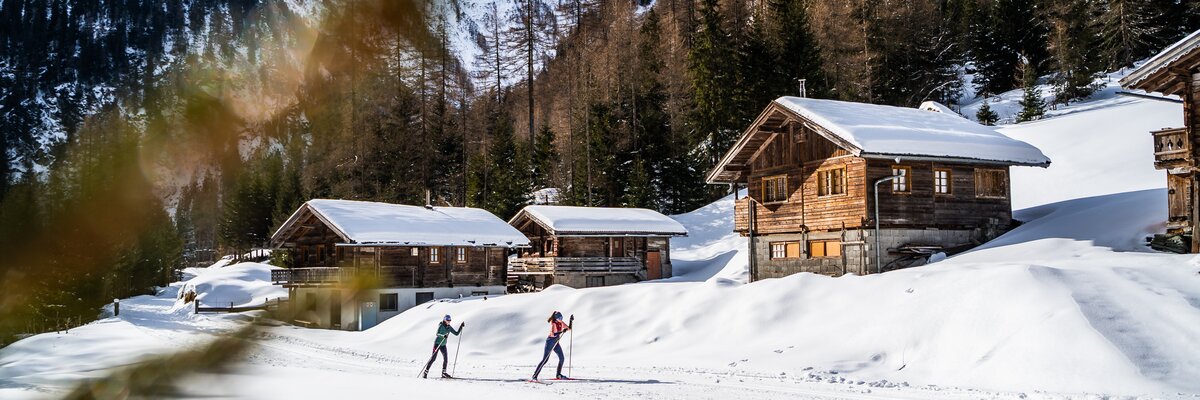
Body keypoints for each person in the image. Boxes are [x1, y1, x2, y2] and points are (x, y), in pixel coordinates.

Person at [532, 311, 572, 380]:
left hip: (556, 343)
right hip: (550, 342)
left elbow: (569, 328)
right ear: (556, 318)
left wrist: (570, 321)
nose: (561, 319)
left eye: (561, 317)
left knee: (562, 358)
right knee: (545, 360)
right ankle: (535, 375)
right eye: (559, 318)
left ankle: (558, 375)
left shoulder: (561, 323)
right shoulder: (554, 324)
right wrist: (562, 331)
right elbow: (554, 334)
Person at [422, 314, 463, 378]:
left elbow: (456, 333)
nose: (449, 321)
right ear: (444, 320)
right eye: (447, 320)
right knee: (433, 358)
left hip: (443, 345)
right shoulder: (441, 325)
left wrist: (461, 327)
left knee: (446, 359)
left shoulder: (449, 327)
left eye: (450, 320)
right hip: (437, 344)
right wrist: (443, 335)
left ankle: (443, 373)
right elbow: (437, 333)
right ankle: (425, 372)